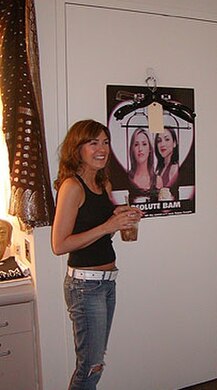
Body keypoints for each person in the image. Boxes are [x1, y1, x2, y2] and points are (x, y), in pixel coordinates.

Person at [51, 119, 142, 390]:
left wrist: (119, 220)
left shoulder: (104, 184)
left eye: (105, 142)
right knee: (90, 367)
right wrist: (107, 225)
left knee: (95, 362)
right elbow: (60, 245)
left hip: (106, 282)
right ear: (77, 148)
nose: (102, 148)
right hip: (84, 286)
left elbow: (98, 236)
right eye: (93, 142)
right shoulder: (72, 186)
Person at [128, 127, 158, 203]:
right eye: (136, 144)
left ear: (150, 149)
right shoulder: (126, 179)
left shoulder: (157, 180)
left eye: (144, 144)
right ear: (132, 149)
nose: (140, 149)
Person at [154, 127, 179, 198]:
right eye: (159, 141)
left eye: (167, 139)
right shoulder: (159, 168)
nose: (162, 144)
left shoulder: (174, 168)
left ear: (174, 143)